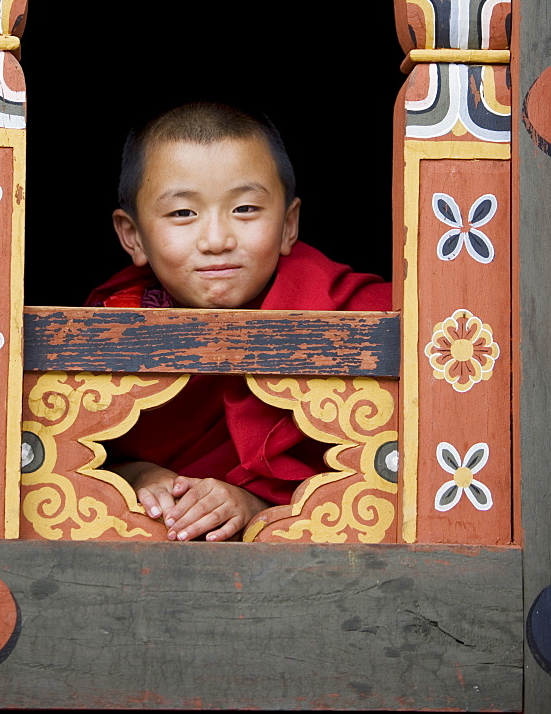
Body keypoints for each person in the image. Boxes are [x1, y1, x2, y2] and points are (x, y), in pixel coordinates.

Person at [86, 102, 391, 542]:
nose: (216, 240)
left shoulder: (357, 313)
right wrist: (141, 476)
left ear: (289, 225)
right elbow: (86, 451)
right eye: (182, 214)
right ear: (132, 236)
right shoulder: (111, 322)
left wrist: (253, 502)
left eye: (245, 209)